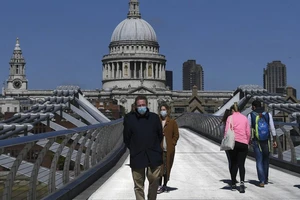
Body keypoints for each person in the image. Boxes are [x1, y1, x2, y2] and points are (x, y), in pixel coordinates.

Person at [123, 95, 163, 200]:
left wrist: (154, 147)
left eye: (143, 105)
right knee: (138, 185)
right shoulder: (129, 118)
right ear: (135, 106)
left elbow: (160, 135)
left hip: (153, 154)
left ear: (147, 105)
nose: (141, 107)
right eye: (139, 105)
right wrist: (134, 148)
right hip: (137, 155)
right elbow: (126, 138)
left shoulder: (154, 118)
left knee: (154, 180)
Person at [248, 100, 277, 188]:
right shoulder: (268, 114)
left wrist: (249, 140)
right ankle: (266, 178)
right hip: (267, 140)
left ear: (253, 107)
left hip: (256, 140)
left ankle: (261, 180)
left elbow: (248, 128)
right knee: (266, 159)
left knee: (259, 160)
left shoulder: (251, 115)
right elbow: (272, 128)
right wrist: (274, 140)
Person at [225, 102, 250, 193]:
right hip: (243, 143)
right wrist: (247, 142)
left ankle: (233, 183)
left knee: (234, 163)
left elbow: (226, 131)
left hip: (233, 143)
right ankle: (242, 183)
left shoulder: (230, 118)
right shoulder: (244, 118)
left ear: (232, 110)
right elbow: (248, 132)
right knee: (241, 164)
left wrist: (226, 141)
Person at [157, 103, 179, 194]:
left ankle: (165, 184)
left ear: (167, 110)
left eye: (164, 109)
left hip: (168, 149)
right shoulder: (157, 121)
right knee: (159, 168)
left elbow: (176, 135)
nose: (163, 111)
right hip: (159, 149)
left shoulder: (172, 122)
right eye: (161, 109)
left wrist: (172, 144)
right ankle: (159, 185)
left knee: (167, 167)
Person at [220, 109, 237, 182]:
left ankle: (232, 177)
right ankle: (234, 176)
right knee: (236, 161)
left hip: (227, 143)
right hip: (235, 142)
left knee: (230, 160)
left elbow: (222, 134)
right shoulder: (233, 122)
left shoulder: (223, 123)